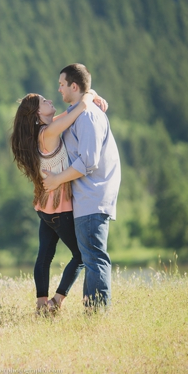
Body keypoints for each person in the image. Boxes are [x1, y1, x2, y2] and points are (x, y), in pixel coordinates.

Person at [10, 90, 106, 315]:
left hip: (45, 207)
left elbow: (70, 112)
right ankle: (56, 301)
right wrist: (89, 94)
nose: (50, 100)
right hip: (59, 208)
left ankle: (41, 305)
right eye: (44, 101)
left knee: (44, 256)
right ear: (37, 114)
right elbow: (79, 109)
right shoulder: (49, 132)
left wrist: (91, 94)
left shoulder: (44, 130)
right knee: (81, 255)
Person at [43, 63, 121, 310]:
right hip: (87, 196)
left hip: (92, 196)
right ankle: (92, 312)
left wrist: (56, 179)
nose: (59, 89)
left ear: (74, 87)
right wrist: (91, 94)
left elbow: (88, 162)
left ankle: (97, 312)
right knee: (90, 258)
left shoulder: (87, 117)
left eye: (62, 84)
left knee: (95, 257)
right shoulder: (78, 112)